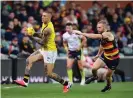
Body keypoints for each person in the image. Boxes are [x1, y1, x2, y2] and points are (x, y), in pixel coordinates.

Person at [14, 11, 71, 93]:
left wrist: (32, 36)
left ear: (49, 18)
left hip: (50, 52)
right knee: (28, 60)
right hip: (44, 49)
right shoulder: (45, 23)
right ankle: (25, 81)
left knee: (49, 74)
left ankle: (66, 84)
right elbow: (41, 35)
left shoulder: (48, 29)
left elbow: (42, 42)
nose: (42, 17)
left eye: (44, 16)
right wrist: (34, 33)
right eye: (42, 16)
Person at [74, 20, 120, 92]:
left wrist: (81, 33)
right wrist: (98, 54)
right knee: (94, 68)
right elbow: (102, 45)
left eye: (99, 27)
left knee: (108, 76)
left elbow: (95, 36)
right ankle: (95, 77)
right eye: (97, 27)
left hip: (113, 59)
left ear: (104, 27)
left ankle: (108, 86)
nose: (97, 29)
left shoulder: (108, 34)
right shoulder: (102, 36)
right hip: (105, 56)